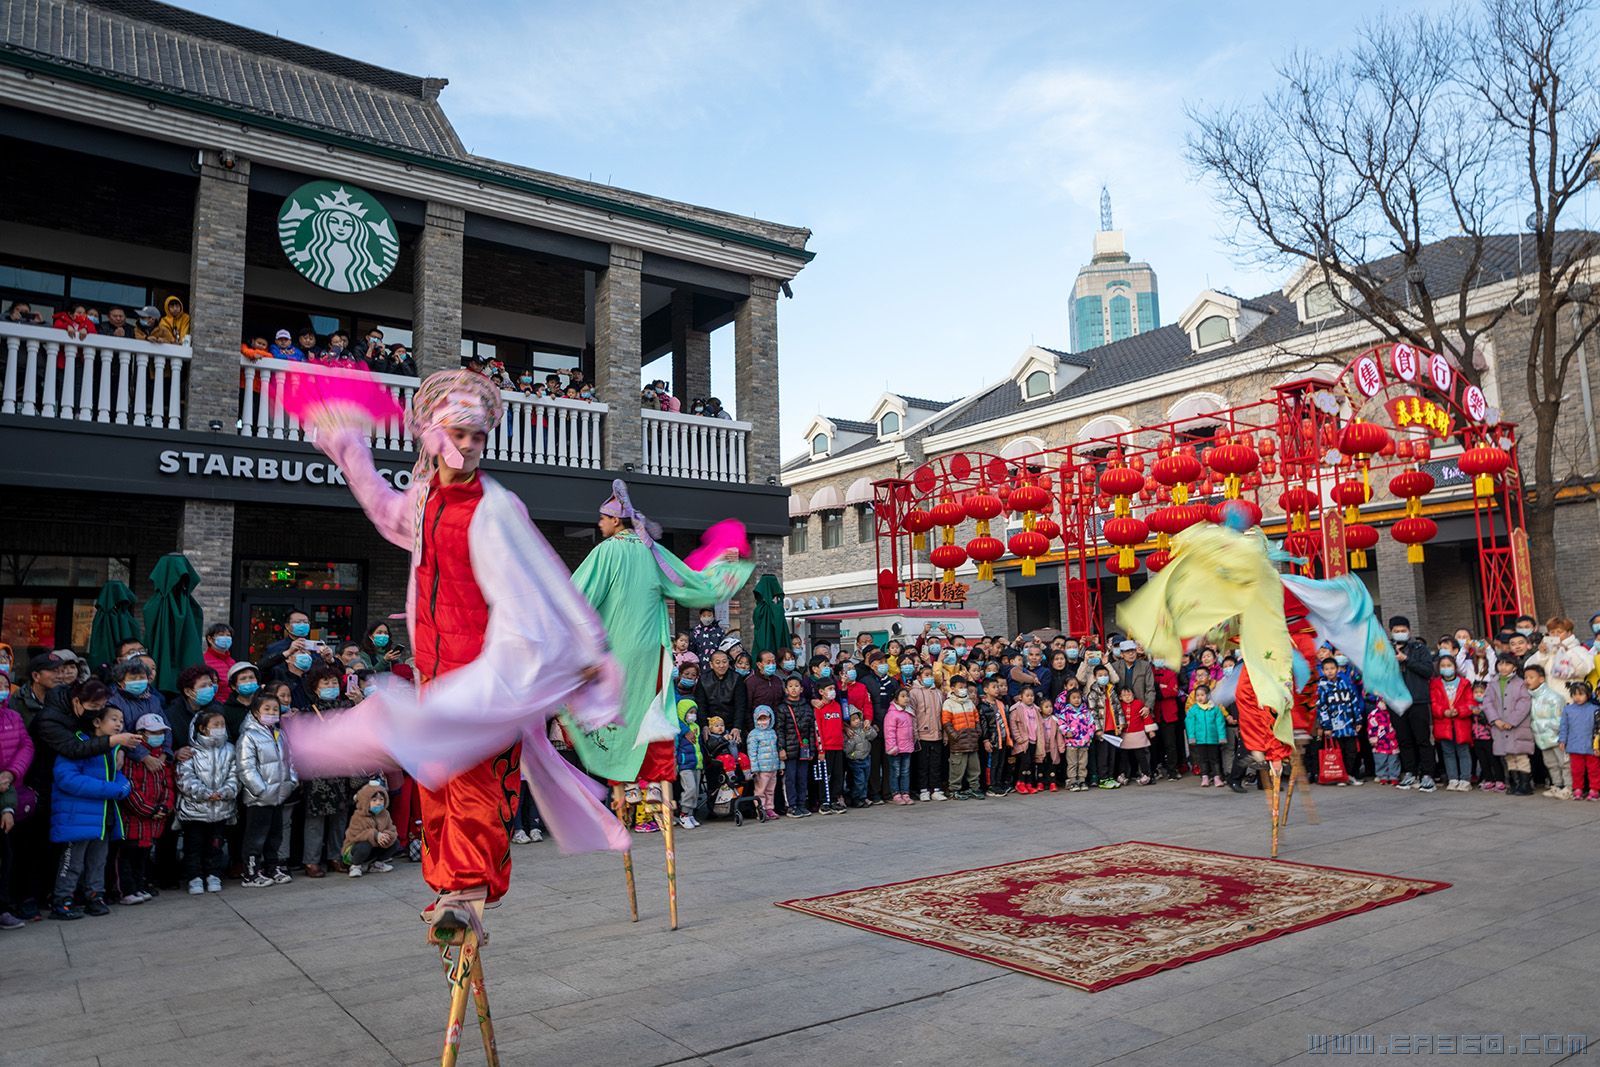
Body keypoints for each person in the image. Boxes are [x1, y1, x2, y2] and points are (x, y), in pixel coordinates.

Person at [288, 369, 622, 932]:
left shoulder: (496, 506)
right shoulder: (422, 501)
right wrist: (348, 447)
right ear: (433, 436)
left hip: (492, 677)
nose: (467, 445)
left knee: (474, 785)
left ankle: (466, 893)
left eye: (477, 437)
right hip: (436, 676)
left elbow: (543, 578)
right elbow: (381, 507)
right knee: (436, 783)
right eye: (458, 434)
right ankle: (448, 893)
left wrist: (585, 648)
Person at [49, 693, 131, 920]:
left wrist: (124, 786)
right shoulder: (78, 745)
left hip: (103, 816)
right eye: (114, 719)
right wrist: (111, 789)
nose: (119, 725)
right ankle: (62, 900)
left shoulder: (113, 750)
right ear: (97, 722)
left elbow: (119, 777)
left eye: (121, 721)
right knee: (72, 861)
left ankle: (95, 896)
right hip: (77, 817)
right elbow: (67, 779)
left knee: (98, 860)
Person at [298, 665, 360, 877]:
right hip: (318, 773)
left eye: (334, 683)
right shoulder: (308, 712)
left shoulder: (347, 706)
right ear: (315, 688)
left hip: (342, 770)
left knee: (340, 817)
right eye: (326, 683)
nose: (331, 686)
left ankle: (336, 856)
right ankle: (311, 861)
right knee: (315, 820)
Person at [117, 713, 175, 904]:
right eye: (153, 732)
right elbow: (130, 789)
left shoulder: (162, 757)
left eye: (160, 732)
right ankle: (127, 890)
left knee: (143, 854)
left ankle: (140, 886)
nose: (158, 735)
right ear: (141, 733)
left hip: (153, 819)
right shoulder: (133, 759)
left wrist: (165, 808)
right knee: (128, 854)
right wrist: (149, 810)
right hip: (135, 818)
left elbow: (168, 785)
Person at [238, 692, 296, 886]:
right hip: (259, 798)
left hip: (279, 795)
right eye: (267, 709)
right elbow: (246, 768)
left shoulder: (279, 733)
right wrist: (261, 790)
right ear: (255, 712)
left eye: (275, 709)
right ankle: (250, 872)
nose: (272, 713)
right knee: (256, 836)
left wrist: (291, 781)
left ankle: (272, 867)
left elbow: (290, 760)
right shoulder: (249, 736)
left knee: (275, 834)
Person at [176, 708, 236, 894]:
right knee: (193, 846)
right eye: (215, 725)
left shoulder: (230, 749)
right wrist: (204, 793)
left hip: (221, 808)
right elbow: (184, 778)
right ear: (202, 728)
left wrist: (225, 791)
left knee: (215, 845)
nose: (220, 728)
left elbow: (235, 775)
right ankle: (194, 877)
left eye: (222, 725)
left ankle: (213, 874)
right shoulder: (190, 752)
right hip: (195, 810)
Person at [1387, 617, 1438, 792]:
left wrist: (1406, 659)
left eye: (1403, 630)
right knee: (1404, 739)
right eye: (1396, 630)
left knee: (1422, 739)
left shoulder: (1419, 648)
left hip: (1417, 700)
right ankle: (1409, 772)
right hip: (1396, 701)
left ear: (1409, 630)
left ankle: (1428, 774)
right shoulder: (1385, 649)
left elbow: (1427, 671)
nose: (1400, 633)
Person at [1484, 656, 1533, 796]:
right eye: (1500, 664)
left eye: (1507, 664)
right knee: (1509, 756)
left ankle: (1525, 784)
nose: (1503, 667)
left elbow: (1524, 703)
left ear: (1515, 667)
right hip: (1500, 726)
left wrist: (1511, 721)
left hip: (1517, 726)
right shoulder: (1492, 683)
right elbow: (1487, 703)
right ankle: (1514, 782)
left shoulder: (1520, 683)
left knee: (1521, 755)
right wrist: (1495, 720)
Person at [1316, 658, 1364, 787]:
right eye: (1326, 669)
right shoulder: (1322, 687)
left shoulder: (1345, 683)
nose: (1330, 671)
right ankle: (1341, 776)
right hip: (1334, 727)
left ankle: (1350, 775)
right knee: (1339, 752)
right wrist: (1326, 726)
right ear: (1323, 671)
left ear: (1337, 669)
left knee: (1352, 751)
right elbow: (1322, 708)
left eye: (1332, 668)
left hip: (1349, 725)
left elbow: (1354, 702)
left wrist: (1358, 719)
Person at [1432, 653, 1476, 791]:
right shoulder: (1435, 684)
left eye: (1449, 665)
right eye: (1443, 666)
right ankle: (1453, 778)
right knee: (1448, 752)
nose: (1446, 668)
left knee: (1463, 751)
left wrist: (1459, 710)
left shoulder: (1464, 683)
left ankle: (1465, 779)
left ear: (1455, 667)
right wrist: (1443, 711)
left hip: (1461, 723)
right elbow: (1433, 703)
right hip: (1443, 723)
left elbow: (1471, 703)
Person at [1525, 664, 1569, 799]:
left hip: (1556, 737)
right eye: (1526, 677)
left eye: (1531, 677)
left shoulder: (1554, 697)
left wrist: (1561, 737)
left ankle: (1569, 786)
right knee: (1550, 763)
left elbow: (1560, 720)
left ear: (1541, 679)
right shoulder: (1530, 697)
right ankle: (1557, 785)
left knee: (1565, 763)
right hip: (1542, 738)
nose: (1528, 680)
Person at [776, 676, 816, 818]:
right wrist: (781, 748)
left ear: (802, 689)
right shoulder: (782, 708)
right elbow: (779, 730)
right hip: (789, 750)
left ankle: (801, 804)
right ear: (786, 690)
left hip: (804, 749)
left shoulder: (806, 707)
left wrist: (811, 749)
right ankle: (791, 806)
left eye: (796, 686)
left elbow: (811, 729)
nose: (794, 689)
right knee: (790, 778)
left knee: (802, 777)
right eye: (790, 686)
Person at [342, 781, 400, 877]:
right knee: (364, 845)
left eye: (381, 800)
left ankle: (376, 864)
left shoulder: (385, 814)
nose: (378, 803)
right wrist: (375, 835)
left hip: (374, 848)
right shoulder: (358, 816)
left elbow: (392, 829)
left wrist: (386, 835)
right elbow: (355, 836)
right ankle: (355, 866)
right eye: (374, 800)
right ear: (366, 802)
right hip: (355, 851)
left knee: (395, 842)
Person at [941, 676, 982, 800]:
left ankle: (974, 787)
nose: (963, 690)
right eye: (960, 687)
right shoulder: (948, 703)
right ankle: (954, 789)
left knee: (974, 767)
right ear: (953, 688)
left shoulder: (969, 702)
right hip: (958, 742)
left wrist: (978, 731)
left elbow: (976, 718)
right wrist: (955, 736)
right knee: (957, 767)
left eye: (965, 687)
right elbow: (946, 722)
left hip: (972, 741)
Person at [1558, 681, 1599, 801]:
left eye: (1581, 694)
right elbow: (1564, 726)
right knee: (1576, 770)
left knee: (1594, 769)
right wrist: (1562, 740)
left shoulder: (1595, 709)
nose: (1577, 697)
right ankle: (1578, 789)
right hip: (1574, 744)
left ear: (1588, 695)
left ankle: (1594, 789)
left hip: (1592, 745)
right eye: (1574, 694)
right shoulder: (1568, 710)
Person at [812, 681, 847, 813]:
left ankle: (834, 799)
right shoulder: (818, 709)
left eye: (834, 688)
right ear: (821, 692)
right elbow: (817, 730)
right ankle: (824, 801)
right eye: (829, 688)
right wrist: (821, 749)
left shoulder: (837, 706)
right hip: (826, 748)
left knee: (838, 775)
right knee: (825, 776)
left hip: (838, 746)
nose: (833, 691)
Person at [1186, 684, 1228, 787]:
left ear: (1208, 696)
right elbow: (1189, 724)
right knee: (1202, 759)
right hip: (1200, 740)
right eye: (1197, 695)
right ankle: (1205, 777)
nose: (1199, 697)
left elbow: (1220, 723)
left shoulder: (1215, 709)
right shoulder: (1193, 709)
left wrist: (1222, 736)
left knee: (1215, 759)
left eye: (1202, 695)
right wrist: (1191, 737)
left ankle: (1217, 777)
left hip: (1213, 739)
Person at [1117, 684, 1156, 785]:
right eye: (1125, 695)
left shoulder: (1139, 704)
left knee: (1141, 756)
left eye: (1129, 694)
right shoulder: (1119, 705)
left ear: (1133, 695)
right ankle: (1123, 774)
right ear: (1120, 697)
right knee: (1123, 757)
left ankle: (1146, 774)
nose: (1127, 697)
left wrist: (1150, 730)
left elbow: (1146, 717)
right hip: (1125, 735)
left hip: (1138, 734)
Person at [883, 689, 916, 805]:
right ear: (896, 699)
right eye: (902, 696)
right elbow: (889, 732)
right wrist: (892, 747)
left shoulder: (908, 712)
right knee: (895, 772)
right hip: (896, 750)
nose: (906, 698)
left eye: (907, 696)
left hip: (907, 748)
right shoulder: (892, 714)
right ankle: (895, 793)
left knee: (905, 772)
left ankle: (905, 793)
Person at [674, 698, 703, 831]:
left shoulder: (696, 727)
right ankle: (684, 813)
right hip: (685, 764)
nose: (693, 715)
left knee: (695, 791)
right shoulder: (679, 730)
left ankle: (690, 814)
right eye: (690, 712)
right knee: (689, 788)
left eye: (694, 712)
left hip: (697, 763)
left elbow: (700, 745)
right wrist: (675, 761)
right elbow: (675, 746)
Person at [747, 706, 780, 820]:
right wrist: (754, 767)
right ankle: (761, 809)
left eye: (765, 718)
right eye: (760, 719)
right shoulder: (754, 734)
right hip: (761, 769)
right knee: (760, 790)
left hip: (773, 767)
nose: (763, 722)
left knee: (770, 790)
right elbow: (752, 752)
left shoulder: (773, 732)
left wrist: (781, 765)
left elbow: (777, 749)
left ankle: (770, 808)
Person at [1007, 685, 1041, 793]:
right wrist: (1018, 738)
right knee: (1024, 763)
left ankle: (1029, 783)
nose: (1030, 698)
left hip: (1033, 740)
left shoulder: (1035, 709)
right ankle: (1020, 783)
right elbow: (1013, 725)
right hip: (1023, 741)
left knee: (1031, 763)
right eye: (1027, 695)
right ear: (1021, 697)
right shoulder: (1017, 709)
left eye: (1032, 695)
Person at [842, 711, 877, 808]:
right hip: (855, 760)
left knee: (865, 779)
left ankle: (863, 797)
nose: (857, 721)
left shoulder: (862, 728)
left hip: (866, 757)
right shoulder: (848, 733)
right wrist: (852, 741)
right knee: (859, 780)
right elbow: (846, 749)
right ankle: (855, 798)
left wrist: (868, 729)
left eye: (857, 718)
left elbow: (873, 736)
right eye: (853, 720)